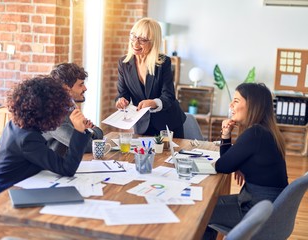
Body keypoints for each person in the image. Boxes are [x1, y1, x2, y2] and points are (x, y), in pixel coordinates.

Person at [0, 76, 90, 202]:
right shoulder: (27, 138)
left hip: (10, 189)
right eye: (60, 109)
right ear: (47, 110)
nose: (63, 112)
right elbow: (67, 168)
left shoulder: (17, 125)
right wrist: (78, 131)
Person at [203, 83, 288, 239]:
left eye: (236, 101)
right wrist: (228, 137)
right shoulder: (264, 131)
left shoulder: (255, 133)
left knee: (202, 213)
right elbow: (229, 163)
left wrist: (225, 136)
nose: (230, 105)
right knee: (206, 205)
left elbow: (223, 166)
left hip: (256, 210)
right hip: (264, 205)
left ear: (252, 105)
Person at [115, 17, 186, 138]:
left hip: (168, 124)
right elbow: (123, 93)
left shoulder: (163, 62)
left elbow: (168, 96)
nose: (136, 43)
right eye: (134, 37)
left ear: (153, 42)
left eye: (142, 40)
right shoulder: (124, 63)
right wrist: (121, 100)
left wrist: (153, 103)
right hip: (142, 125)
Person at [43, 63, 103, 155]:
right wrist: (93, 132)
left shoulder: (69, 108)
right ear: (66, 88)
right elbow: (86, 146)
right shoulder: (53, 115)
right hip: (43, 168)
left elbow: (89, 137)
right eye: (81, 85)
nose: (85, 88)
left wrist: (88, 132)